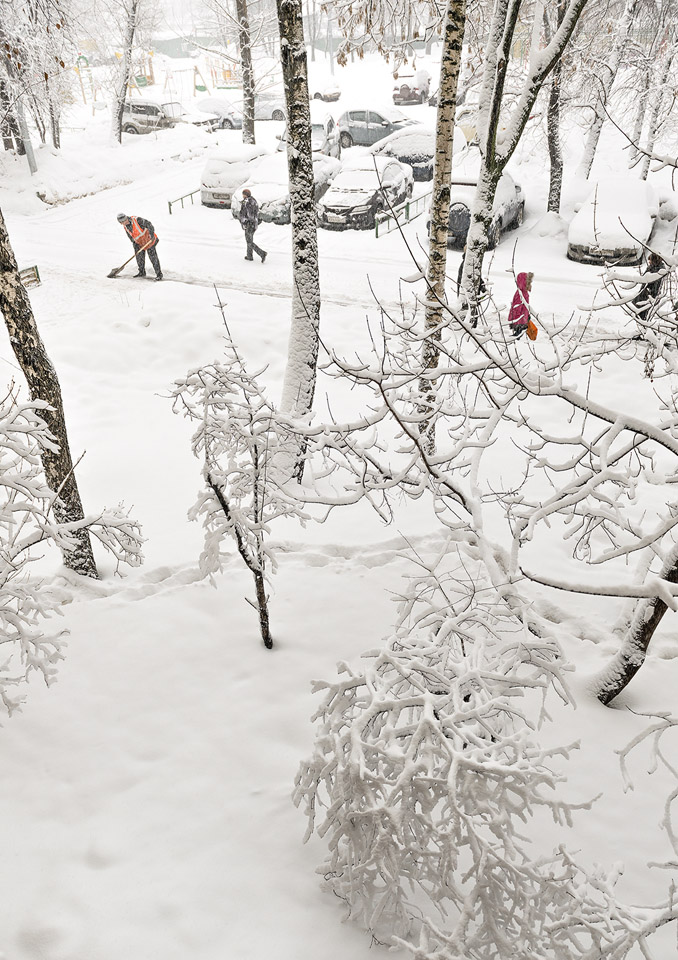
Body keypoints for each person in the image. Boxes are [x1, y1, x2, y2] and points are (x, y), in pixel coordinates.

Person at [117, 213, 163, 280]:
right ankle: (141, 272)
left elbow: (149, 225)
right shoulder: (125, 227)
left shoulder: (137, 220)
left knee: (153, 257)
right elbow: (131, 237)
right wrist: (135, 245)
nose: (124, 223)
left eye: (124, 221)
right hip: (140, 243)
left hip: (149, 240)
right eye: (122, 222)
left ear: (127, 218)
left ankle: (159, 274)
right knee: (139, 257)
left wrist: (151, 235)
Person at [632, 252, 664, 334]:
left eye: (650, 261)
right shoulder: (651, 267)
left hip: (649, 295)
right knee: (640, 313)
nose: (649, 263)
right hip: (644, 292)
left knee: (644, 314)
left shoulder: (659, 270)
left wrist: (651, 294)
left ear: (654, 261)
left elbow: (657, 284)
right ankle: (643, 331)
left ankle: (647, 332)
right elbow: (644, 277)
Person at [457, 244, 486, 328]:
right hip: (468, 295)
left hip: (467, 295)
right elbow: (474, 277)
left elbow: (477, 277)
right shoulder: (467, 264)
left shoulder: (468, 263)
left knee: (469, 313)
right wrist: (482, 287)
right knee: (470, 314)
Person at [238, 189, 267, 263]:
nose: (242, 195)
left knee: (249, 241)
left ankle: (262, 253)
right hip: (253, 224)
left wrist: (245, 221)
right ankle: (249, 256)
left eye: (243, 194)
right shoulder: (253, 201)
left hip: (250, 224)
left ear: (246, 195)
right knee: (249, 240)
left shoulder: (248, 202)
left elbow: (250, 215)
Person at [508, 271, 533, 338]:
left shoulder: (523, 293)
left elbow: (522, 305)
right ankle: (516, 336)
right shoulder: (522, 293)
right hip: (521, 317)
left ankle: (516, 337)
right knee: (519, 330)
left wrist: (525, 314)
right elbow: (519, 306)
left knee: (519, 330)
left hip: (521, 316)